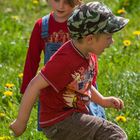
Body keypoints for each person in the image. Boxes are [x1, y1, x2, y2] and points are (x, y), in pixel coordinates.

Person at [10, 1, 129, 139]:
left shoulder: (88, 54)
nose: (112, 42)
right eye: (108, 37)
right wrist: (21, 122)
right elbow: (34, 85)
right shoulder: (65, 59)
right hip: (59, 120)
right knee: (113, 134)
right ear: (90, 38)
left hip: (72, 114)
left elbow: (83, 84)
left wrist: (102, 100)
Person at [21, 0, 105, 131]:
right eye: (56, 0)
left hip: (82, 87)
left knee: (90, 127)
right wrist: (26, 91)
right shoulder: (42, 26)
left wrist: (92, 84)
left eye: (68, 2)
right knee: (60, 130)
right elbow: (32, 59)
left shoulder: (82, 24)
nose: (61, 6)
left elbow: (91, 53)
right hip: (54, 93)